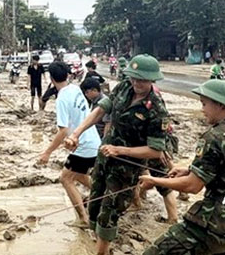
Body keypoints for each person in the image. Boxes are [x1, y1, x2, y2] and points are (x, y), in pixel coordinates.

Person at [140, 80, 225, 254]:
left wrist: (154, 180)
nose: (202, 110)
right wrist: (189, 170)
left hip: (219, 224)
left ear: (220, 105)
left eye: (204, 104)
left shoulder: (214, 136)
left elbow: (192, 186)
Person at [66, 54, 169, 255]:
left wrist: (119, 150)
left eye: (142, 79)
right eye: (133, 77)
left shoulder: (156, 109)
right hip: (105, 158)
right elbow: (100, 110)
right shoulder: (123, 87)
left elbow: (155, 151)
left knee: (109, 211)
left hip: (126, 168)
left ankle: (101, 252)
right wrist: (77, 133)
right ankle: (97, 239)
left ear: (152, 80)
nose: (136, 83)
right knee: (94, 204)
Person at [38, 62, 101, 228]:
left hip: (83, 145)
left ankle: (83, 218)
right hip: (93, 141)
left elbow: (63, 131)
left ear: (51, 79)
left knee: (65, 179)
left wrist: (47, 152)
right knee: (79, 175)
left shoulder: (61, 99)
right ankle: (102, 195)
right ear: (68, 75)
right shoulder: (75, 89)